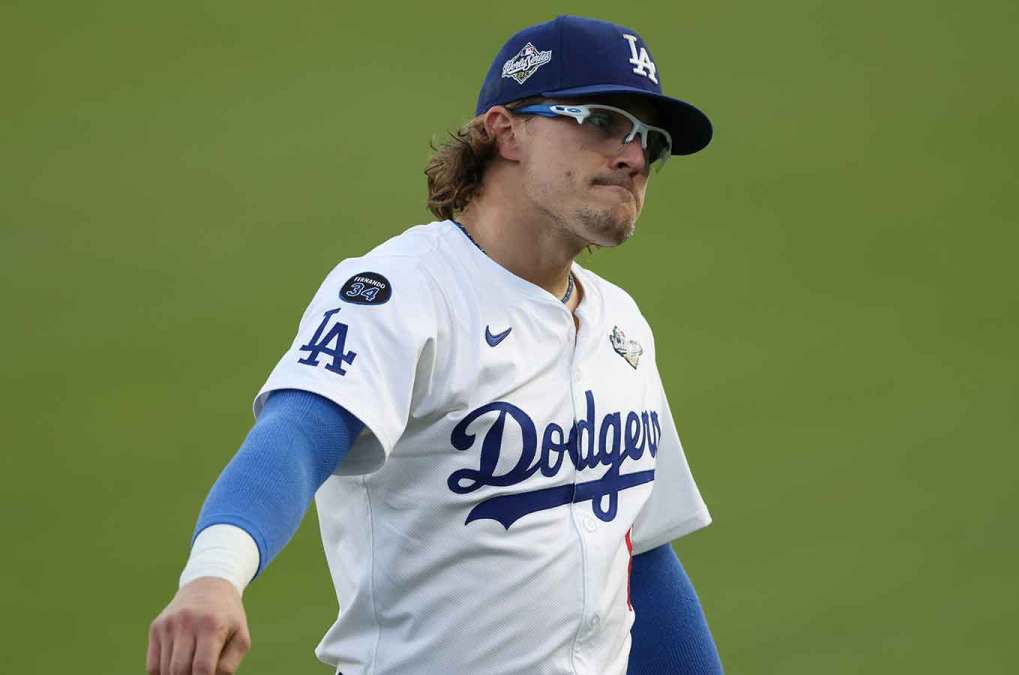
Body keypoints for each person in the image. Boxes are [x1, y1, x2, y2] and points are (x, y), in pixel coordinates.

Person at [146, 15, 721, 675]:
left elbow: (638, 556)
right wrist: (214, 576)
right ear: (505, 131)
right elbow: (297, 434)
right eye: (602, 122)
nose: (635, 155)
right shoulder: (404, 293)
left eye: (652, 140)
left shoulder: (623, 326)